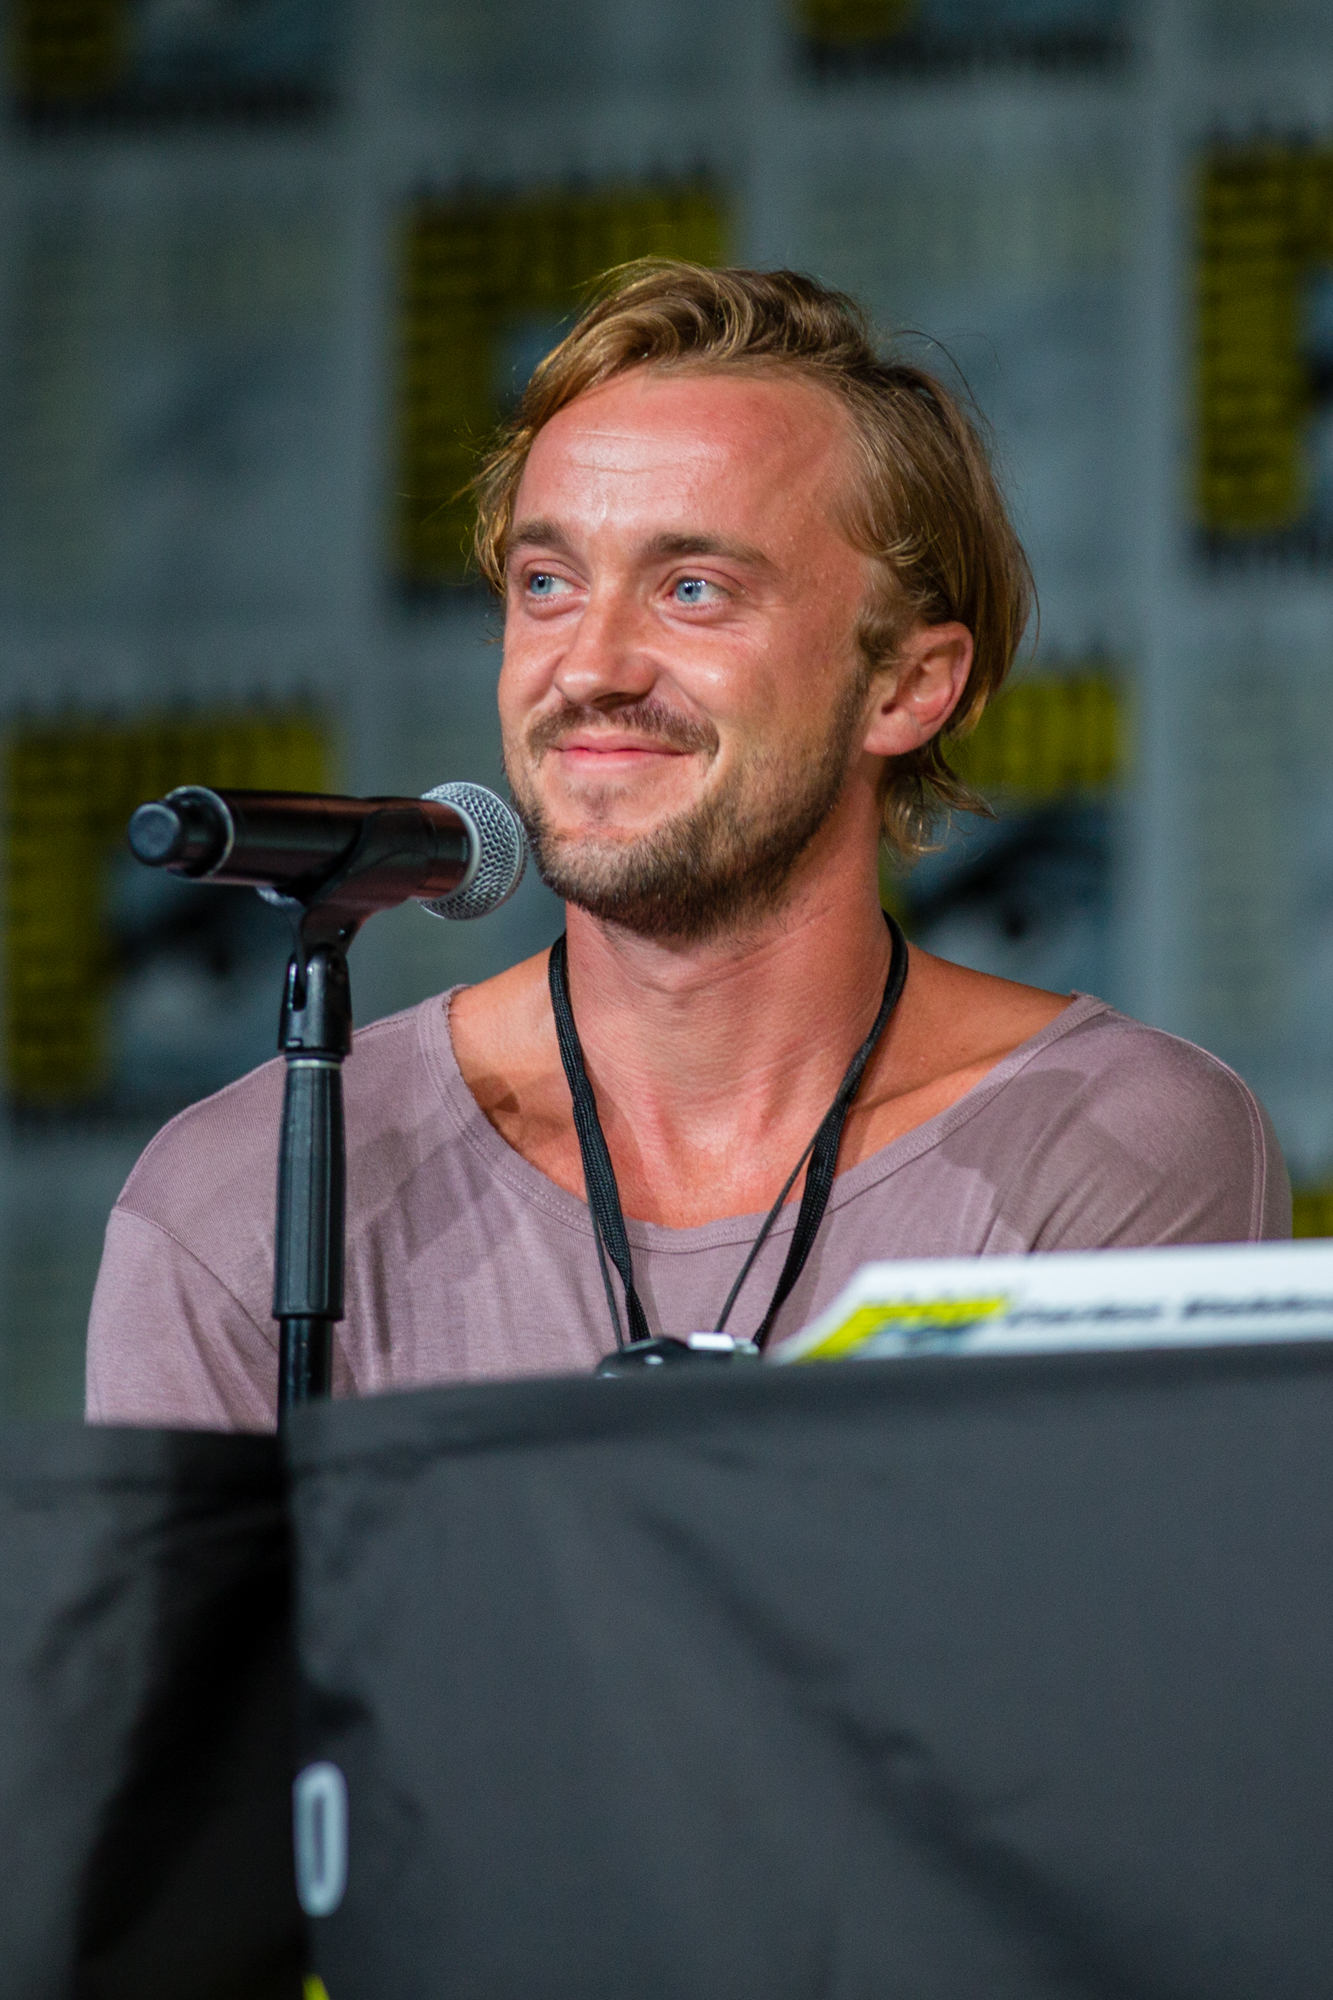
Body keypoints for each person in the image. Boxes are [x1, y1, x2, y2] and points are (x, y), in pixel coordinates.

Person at [86, 261, 1290, 1431]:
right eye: (547, 583)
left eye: (693, 589)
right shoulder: (247, 1191)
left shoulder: (1111, 1145)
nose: (590, 667)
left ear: (907, 685)